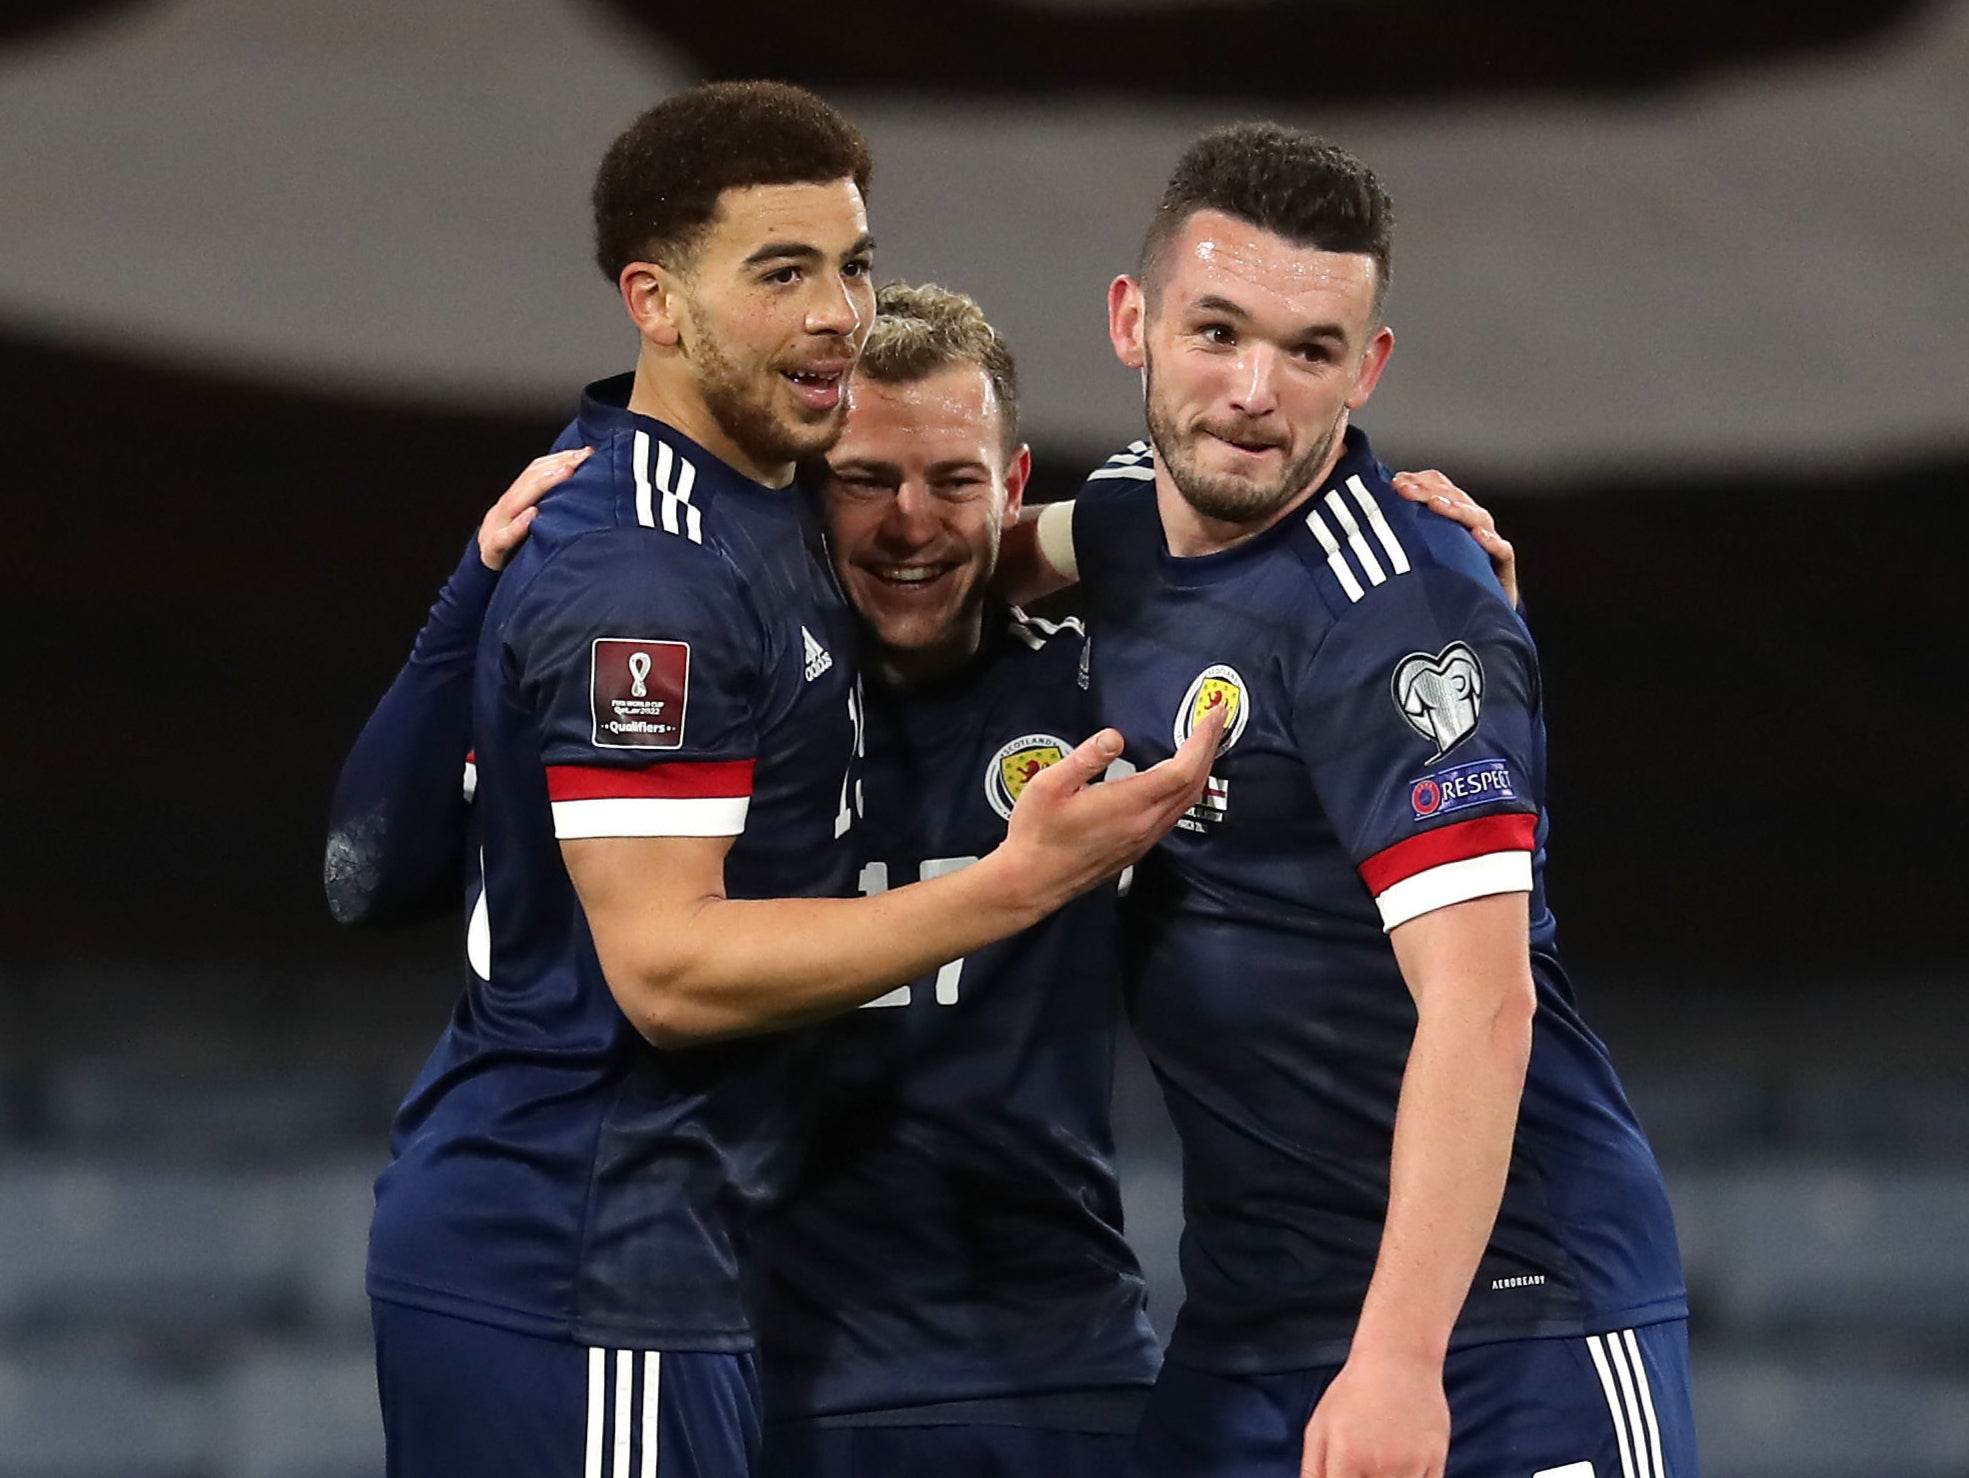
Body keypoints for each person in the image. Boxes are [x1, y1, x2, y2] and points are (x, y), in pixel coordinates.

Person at [333, 274, 1514, 1476]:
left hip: (1059, 1372)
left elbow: (1291, 625)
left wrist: (1436, 579)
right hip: (757, 1359)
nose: (911, 523)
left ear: (1008, 489)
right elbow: (365, 872)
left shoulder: (1108, 685)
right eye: (864, 481)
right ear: (800, 493)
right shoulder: (699, 689)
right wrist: (474, 586)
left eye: (953, 481)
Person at [337, 83, 1217, 1478]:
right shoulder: (651, 573)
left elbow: (359, 874)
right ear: (656, 300)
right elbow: (668, 972)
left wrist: (1375, 539)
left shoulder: (752, 516)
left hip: (654, 1274)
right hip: (591, 1257)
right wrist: (1012, 885)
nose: (834, 310)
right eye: (781, 271)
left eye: (852, 264)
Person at [1010, 124, 1696, 1478]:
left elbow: (1480, 1001)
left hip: (1497, 1322)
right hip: (1248, 1327)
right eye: (1216, 331)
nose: (1256, 390)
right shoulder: (1120, 525)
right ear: (1129, 321)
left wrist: (1397, 1359)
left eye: (1310, 349)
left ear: (1365, 366)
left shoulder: (1403, 615)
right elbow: (925, 575)